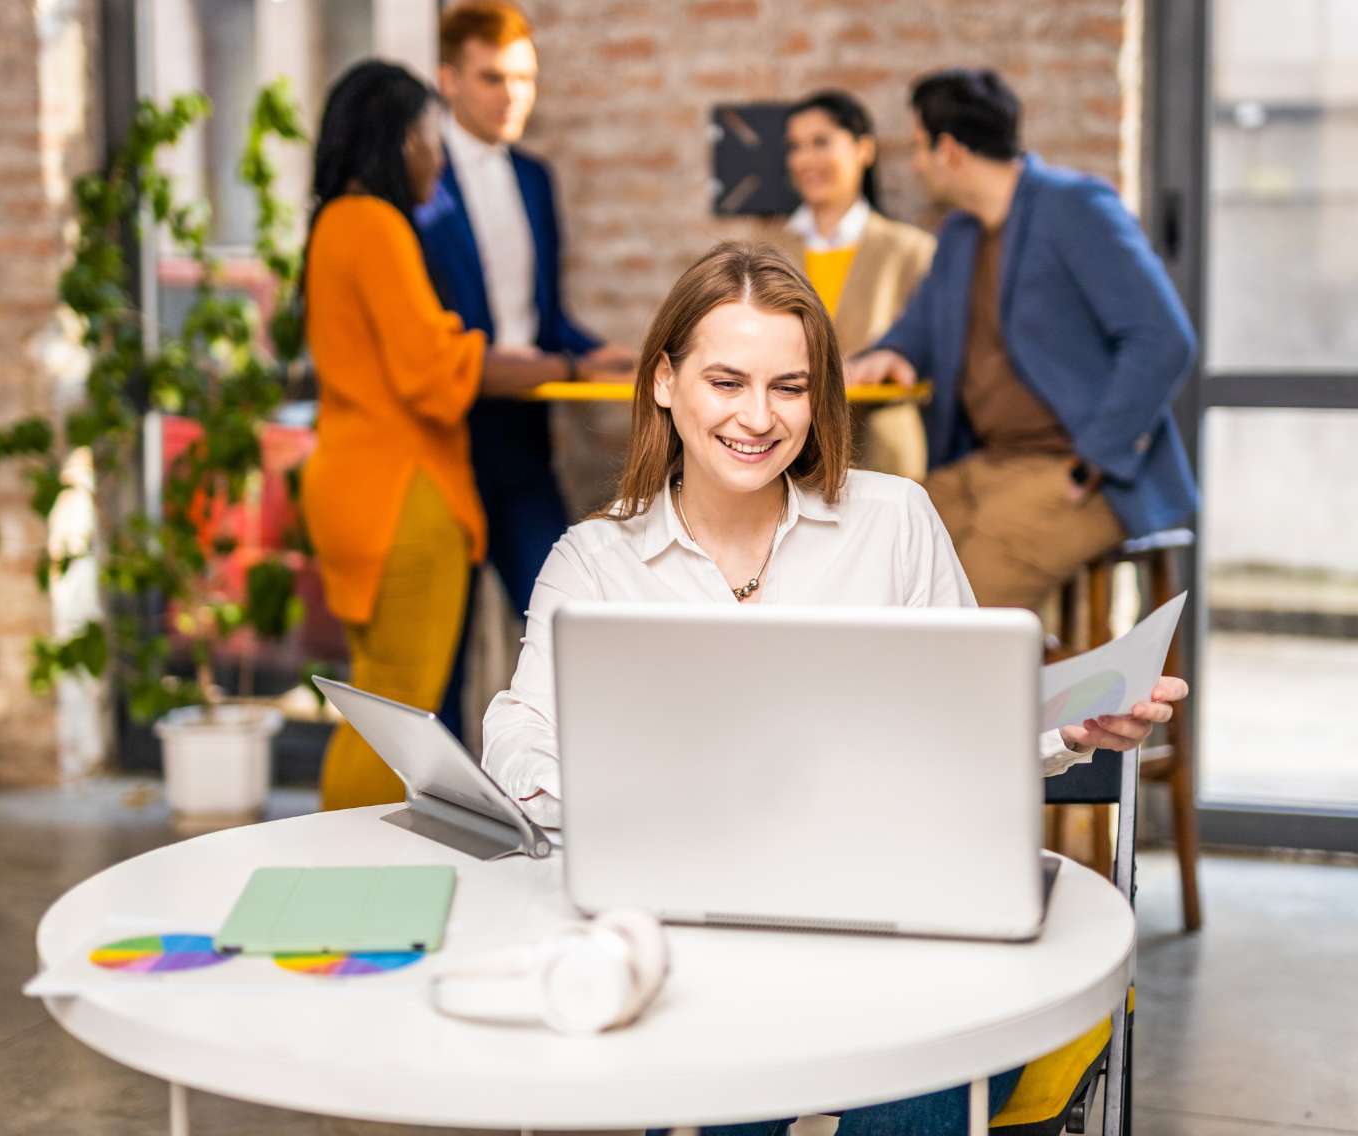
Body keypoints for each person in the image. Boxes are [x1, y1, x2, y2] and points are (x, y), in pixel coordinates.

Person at [481, 243, 1187, 1136]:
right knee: (716, 1074)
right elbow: (519, 730)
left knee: (920, 1074)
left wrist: (1074, 726)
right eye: (726, 381)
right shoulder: (596, 562)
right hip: (704, 942)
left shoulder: (893, 522)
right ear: (666, 382)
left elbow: (975, 724)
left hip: (909, 932)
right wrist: (609, 799)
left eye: (789, 386)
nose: (758, 417)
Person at [298, 60, 573, 811]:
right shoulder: (376, 223)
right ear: (398, 141)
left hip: (352, 485)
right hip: (401, 496)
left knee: (376, 702)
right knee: (395, 716)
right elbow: (428, 369)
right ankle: (340, 877)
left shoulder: (333, 223)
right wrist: (532, 364)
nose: (439, 156)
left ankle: (346, 873)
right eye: (429, 136)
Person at [847, 68, 1199, 611]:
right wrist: (888, 353)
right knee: (879, 555)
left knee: (962, 609)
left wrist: (1094, 460)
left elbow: (1163, 339)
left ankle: (1005, 692)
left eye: (919, 147)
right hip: (985, 464)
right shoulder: (961, 235)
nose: (915, 165)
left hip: (1075, 472)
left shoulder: (1075, 207)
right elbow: (917, 328)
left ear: (950, 150)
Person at [415, 0, 637, 742]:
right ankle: (439, 817)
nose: (511, 95)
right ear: (448, 78)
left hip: (522, 432)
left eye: (524, 79)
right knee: (437, 651)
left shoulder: (537, 178)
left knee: (557, 616)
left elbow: (540, 315)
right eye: (491, 78)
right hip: (438, 430)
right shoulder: (417, 180)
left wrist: (592, 351)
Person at [773, 89, 934, 481]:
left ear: (865, 149)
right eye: (795, 146)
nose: (804, 159)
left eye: (821, 142)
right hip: (784, 449)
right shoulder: (767, 252)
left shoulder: (912, 251)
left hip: (881, 448)